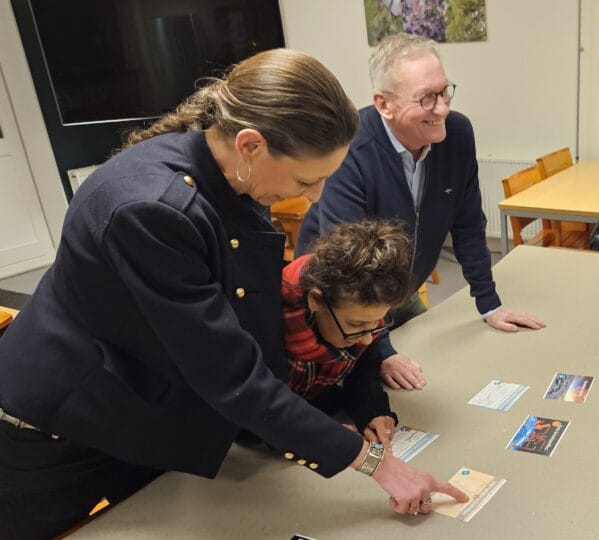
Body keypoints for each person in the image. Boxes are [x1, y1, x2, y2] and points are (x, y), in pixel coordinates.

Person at [0, 49, 465, 539]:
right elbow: (229, 372)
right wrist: (376, 464)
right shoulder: (153, 211)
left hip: (143, 404)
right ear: (251, 145)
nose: (316, 196)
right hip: (61, 428)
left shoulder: (229, 176)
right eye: (307, 179)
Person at [297, 33, 545, 391]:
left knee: (429, 366)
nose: (442, 108)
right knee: (354, 397)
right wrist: (381, 349)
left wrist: (489, 305)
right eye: (426, 99)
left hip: (401, 287)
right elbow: (348, 266)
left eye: (444, 91)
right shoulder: (349, 145)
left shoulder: (457, 133)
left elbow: (469, 224)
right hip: (341, 303)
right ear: (384, 104)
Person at [282, 220, 415, 453]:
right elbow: (254, 406)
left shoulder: (362, 308)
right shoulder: (266, 320)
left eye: (376, 323)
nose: (366, 339)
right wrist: (316, 432)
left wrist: (373, 411)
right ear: (316, 300)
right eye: (356, 324)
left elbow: (363, 371)